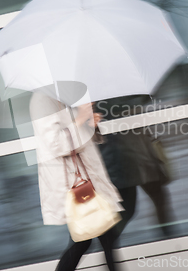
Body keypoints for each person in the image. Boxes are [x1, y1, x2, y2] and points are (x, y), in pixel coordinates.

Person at [29, 90, 123, 271]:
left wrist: (90, 124)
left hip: (89, 180)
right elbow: (57, 144)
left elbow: (78, 136)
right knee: (86, 241)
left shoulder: (64, 92)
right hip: (76, 184)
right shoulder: (42, 99)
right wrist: (80, 119)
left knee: (99, 239)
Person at [96, 96, 175, 238]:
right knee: (130, 208)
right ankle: (107, 242)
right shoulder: (109, 98)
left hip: (136, 152)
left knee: (154, 199)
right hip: (128, 156)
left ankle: (167, 236)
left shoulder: (114, 94)